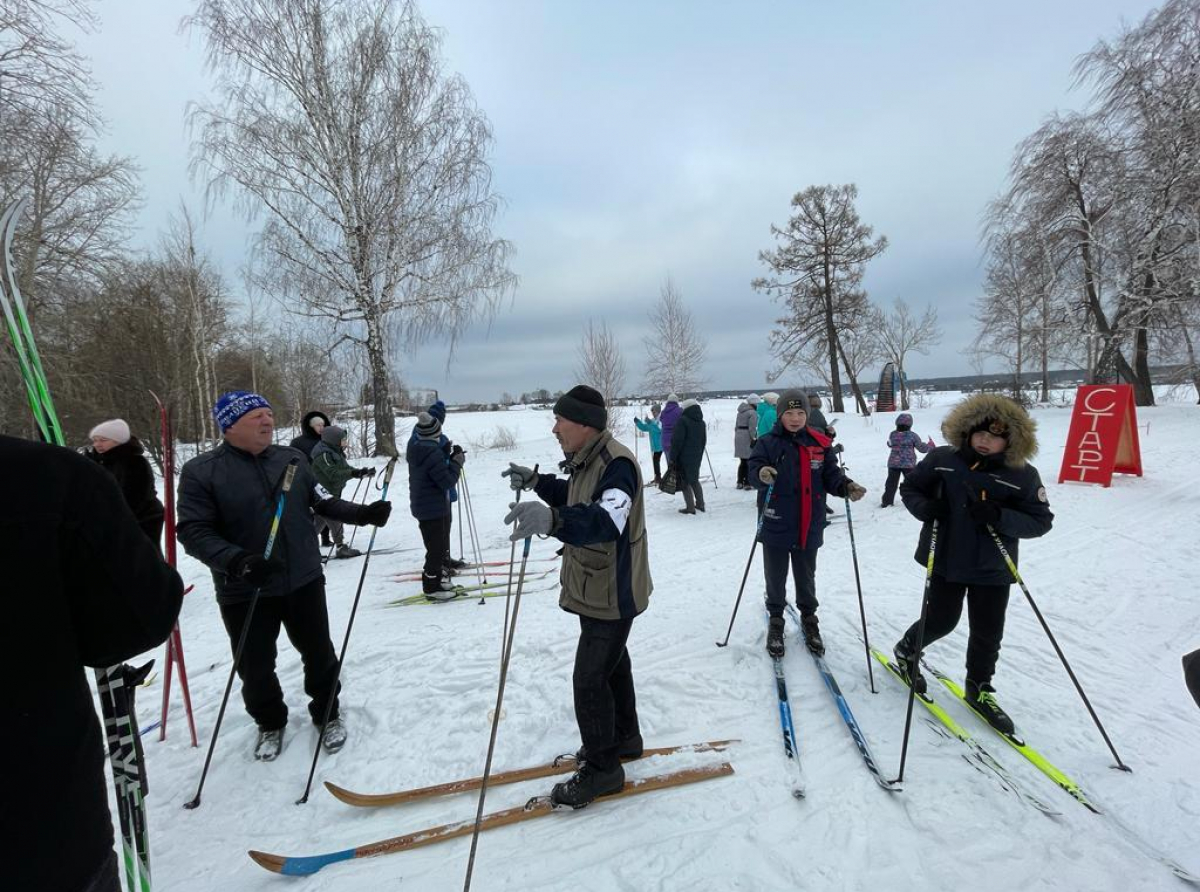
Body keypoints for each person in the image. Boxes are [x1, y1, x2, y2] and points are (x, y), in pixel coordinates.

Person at [5, 435, 183, 892]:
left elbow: (148, 507)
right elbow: (135, 621)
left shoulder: (102, 470)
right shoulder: (50, 473)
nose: (97, 441)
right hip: (44, 836)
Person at [177, 391, 392, 760]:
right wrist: (238, 561)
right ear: (230, 425)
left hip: (303, 578)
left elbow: (322, 500)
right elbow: (194, 532)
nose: (267, 421)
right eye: (256, 415)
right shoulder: (202, 471)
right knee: (255, 665)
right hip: (245, 587)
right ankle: (270, 722)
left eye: (269, 414)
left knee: (320, 654)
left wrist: (362, 514)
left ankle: (327, 713)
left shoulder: (292, 459)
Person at [501, 384, 651, 807]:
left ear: (585, 424)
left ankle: (604, 768)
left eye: (560, 420)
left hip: (614, 590)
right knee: (612, 664)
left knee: (589, 678)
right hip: (596, 588)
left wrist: (551, 520)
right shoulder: (588, 459)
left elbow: (606, 519)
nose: (554, 428)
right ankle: (625, 738)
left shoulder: (616, 464)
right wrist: (537, 483)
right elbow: (576, 496)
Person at [892, 393, 1053, 736]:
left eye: (994, 436)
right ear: (966, 432)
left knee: (988, 631)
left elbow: (1040, 521)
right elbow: (911, 489)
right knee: (942, 620)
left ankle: (979, 687)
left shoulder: (1022, 474)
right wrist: (924, 508)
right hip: (946, 558)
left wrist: (1000, 516)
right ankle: (907, 651)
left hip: (993, 566)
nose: (985, 441)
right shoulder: (941, 459)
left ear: (1009, 440)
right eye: (979, 434)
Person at [749, 389, 866, 658]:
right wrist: (762, 474)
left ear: (808, 414)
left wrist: (846, 486)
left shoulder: (820, 443)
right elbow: (754, 470)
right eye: (789, 413)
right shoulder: (767, 443)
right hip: (775, 522)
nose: (795, 418)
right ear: (780, 415)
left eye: (800, 412)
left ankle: (809, 620)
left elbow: (831, 475)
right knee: (775, 576)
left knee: (806, 576)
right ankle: (776, 621)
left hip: (808, 523)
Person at [406, 411, 465, 599]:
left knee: (436, 546)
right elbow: (447, 481)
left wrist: (445, 453)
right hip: (433, 508)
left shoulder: (418, 448)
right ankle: (432, 587)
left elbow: (434, 473)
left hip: (426, 506)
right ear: (435, 433)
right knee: (436, 549)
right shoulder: (431, 453)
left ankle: (438, 580)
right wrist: (456, 463)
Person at [87, 418, 165, 545]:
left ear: (118, 441)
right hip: (112, 520)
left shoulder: (134, 462)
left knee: (141, 559)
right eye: (95, 440)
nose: (97, 444)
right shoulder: (98, 461)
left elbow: (134, 497)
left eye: (103, 440)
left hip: (139, 519)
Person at [310, 425, 375, 559]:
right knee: (334, 517)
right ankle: (341, 547)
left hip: (331, 492)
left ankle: (300, 547)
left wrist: (361, 473)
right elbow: (332, 473)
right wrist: (353, 473)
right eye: (342, 440)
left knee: (319, 522)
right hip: (322, 494)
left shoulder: (334, 451)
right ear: (333, 440)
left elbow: (345, 468)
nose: (345, 443)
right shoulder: (323, 454)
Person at [881, 413, 933, 508]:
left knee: (891, 484)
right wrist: (930, 446)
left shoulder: (893, 434)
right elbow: (921, 448)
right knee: (912, 483)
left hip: (893, 464)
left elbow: (890, 444)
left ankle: (887, 501)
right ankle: (915, 500)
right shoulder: (912, 436)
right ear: (910, 424)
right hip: (908, 464)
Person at [670, 398, 708, 514]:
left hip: (684, 456)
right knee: (695, 480)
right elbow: (703, 440)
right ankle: (700, 504)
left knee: (685, 481)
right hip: (696, 455)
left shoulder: (683, 421)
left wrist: (673, 456)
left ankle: (690, 508)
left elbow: (677, 441)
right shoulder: (701, 422)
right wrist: (699, 453)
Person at [634, 404, 663, 487]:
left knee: (656, 460)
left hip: (661, 444)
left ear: (658, 411)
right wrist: (638, 422)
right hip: (655, 445)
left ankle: (658, 478)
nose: (653, 413)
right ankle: (658, 477)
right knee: (656, 460)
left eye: (654, 411)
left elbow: (659, 429)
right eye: (652, 412)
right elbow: (644, 428)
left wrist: (650, 422)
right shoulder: (653, 420)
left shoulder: (660, 420)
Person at [734, 398, 758, 490]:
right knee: (749, 461)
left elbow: (736, 427)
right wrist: (754, 439)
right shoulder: (752, 413)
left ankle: (740, 481)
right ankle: (748, 482)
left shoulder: (740, 412)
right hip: (747, 437)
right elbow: (752, 428)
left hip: (739, 436)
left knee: (743, 461)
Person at [659, 394, 682, 471]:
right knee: (678, 464)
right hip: (676, 441)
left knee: (670, 464)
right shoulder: (680, 411)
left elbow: (661, 421)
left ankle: (670, 480)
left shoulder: (663, 412)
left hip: (665, 441)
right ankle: (679, 481)